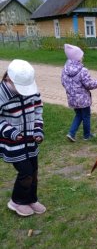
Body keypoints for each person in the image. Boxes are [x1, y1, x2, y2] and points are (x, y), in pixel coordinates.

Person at [0, 59, 45, 216]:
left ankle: (31, 199)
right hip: (13, 142)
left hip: (31, 141)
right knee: (25, 171)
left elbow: (38, 109)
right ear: (8, 79)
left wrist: (38, 129)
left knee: (34, 170)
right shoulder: (1, 94)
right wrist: (10, 131)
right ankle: (17, 201)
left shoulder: (32, 88)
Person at [61, 44, 97, 142]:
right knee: (86, 116)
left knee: (79, 115)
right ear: (77, 58)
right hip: (83, 99)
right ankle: (87, 135)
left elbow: (63, 82)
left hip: (72, 98)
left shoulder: (65, 70)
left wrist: (71, 90)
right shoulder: (83, 70)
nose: (82, 57)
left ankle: (71, 133)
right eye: (81, 56)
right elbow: (89, 84)